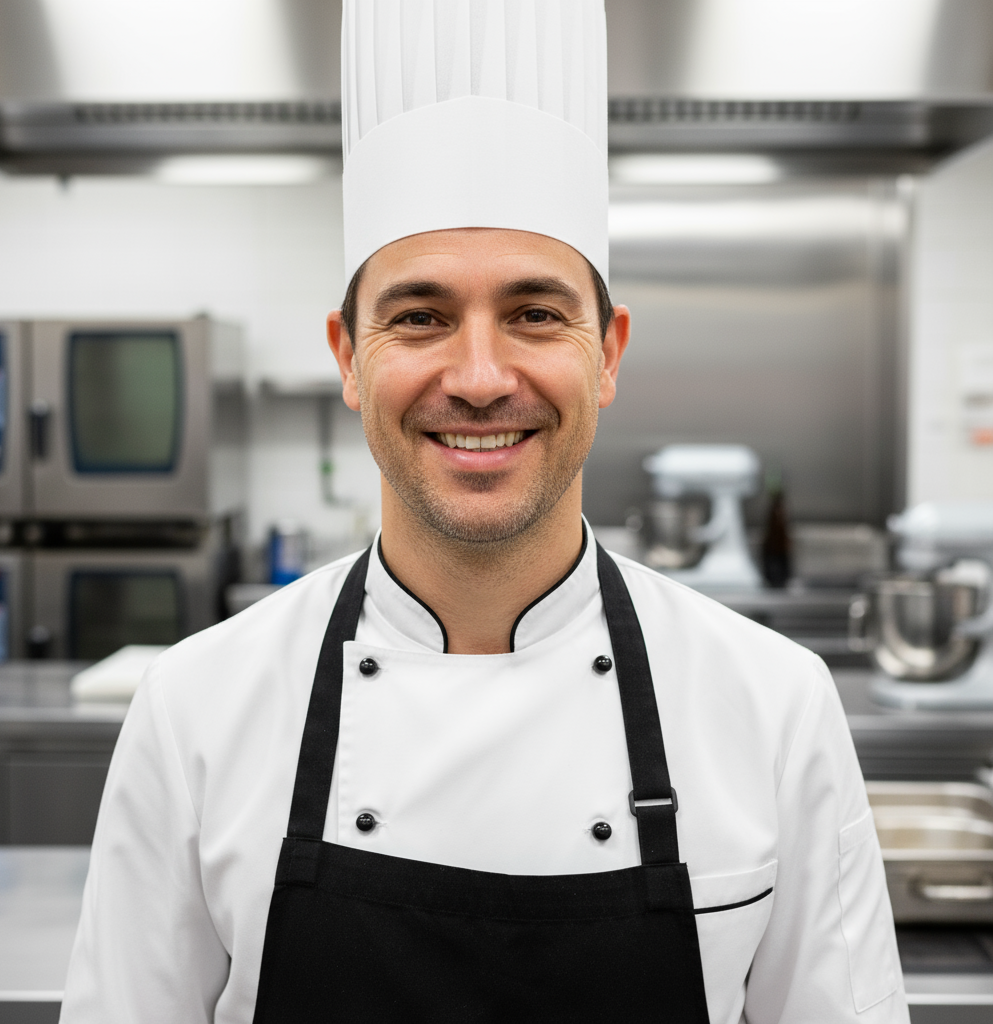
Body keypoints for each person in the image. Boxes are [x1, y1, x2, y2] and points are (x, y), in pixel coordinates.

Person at [60, 2, 908, 1022]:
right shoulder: (196, 709)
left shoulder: (772, 707)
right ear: (346, 355)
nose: (475, 376)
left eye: (534, 313)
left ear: (608, 352)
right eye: (419, 316)